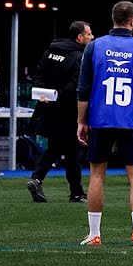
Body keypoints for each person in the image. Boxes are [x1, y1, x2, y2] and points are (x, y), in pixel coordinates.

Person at [76, 0, 133, 246]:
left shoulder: (94, 47)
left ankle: (94, 234)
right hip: (131, 119)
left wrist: (81, 121)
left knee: (96, 176)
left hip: (100, 119)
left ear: (113, 18)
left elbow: (83, 89)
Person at [27, 21, 94, 204]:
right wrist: (58, 97)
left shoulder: (50, 52)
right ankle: (76, 192)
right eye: (89, 34)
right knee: (74, 153)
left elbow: (38, 74)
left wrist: (42, 94)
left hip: (49, 108)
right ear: (80, 37)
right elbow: (75, 86)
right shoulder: (79, 56)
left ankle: (37, 178)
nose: (92, 37)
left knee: (53, 148)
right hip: (69, 111)